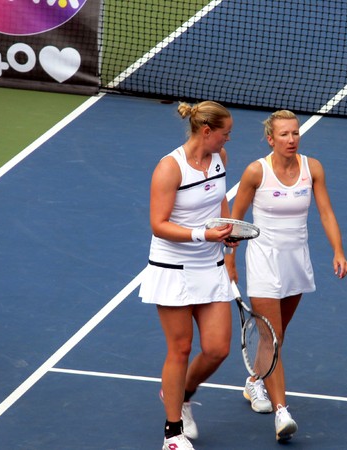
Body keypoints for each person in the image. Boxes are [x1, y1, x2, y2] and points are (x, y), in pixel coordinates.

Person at [226, 110, 347, 442]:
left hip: (297, 260)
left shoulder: (313, 168)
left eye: (295, 133)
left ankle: (255, 382)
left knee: (278, 333)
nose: (291, 139)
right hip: (264, 260)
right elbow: (235, 219)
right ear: (270, 139)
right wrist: (230, 258)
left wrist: (338, 250)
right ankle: (282, 412)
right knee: (272, 336)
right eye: (284, 135)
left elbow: (325, 211)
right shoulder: (256, 171)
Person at [139, 100, 238, 450]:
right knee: (180, 348)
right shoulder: (170, 168)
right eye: (225, 134)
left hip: (209, 266)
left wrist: (227, 237)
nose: (228, 141)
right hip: (173, 268)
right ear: (207, 132)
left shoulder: (219, 160)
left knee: (217, 349)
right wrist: (202, 235)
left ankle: (181, 394)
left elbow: (219, 203)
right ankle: (172, 433)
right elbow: (158, 224)